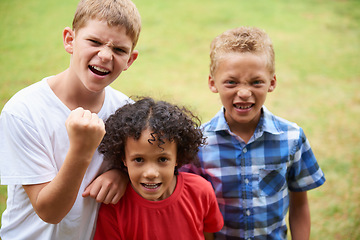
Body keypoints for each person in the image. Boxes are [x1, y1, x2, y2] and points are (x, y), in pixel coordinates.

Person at [0, 0, 141, 239]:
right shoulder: (24, 111)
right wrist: (82, 149)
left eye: (119, 50)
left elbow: (152, 167)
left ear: (130, 59)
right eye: (94, 42)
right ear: (69, 40)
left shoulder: (126, 110)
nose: (105, 55)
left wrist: (123, 175)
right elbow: (50, 211)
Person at [180, 26, 326, 240]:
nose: (244, 92)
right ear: (213, 83)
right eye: (231, 82)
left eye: (256, 82)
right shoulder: (198, 143)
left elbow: (300, 204)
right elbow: (193, 212)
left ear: (272, 82)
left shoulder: (291, 137)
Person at [94, 97, 224, 240]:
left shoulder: (200, 191)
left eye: (162, 159)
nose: (150, 173)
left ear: (177, 157)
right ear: (123, 158)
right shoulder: (114, 206)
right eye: (138, 160)